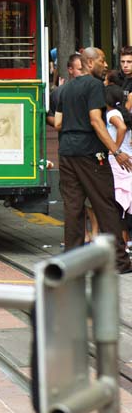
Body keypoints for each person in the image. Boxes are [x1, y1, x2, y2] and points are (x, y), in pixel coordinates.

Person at [54, 47, 132, 274]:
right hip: (90, 153)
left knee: (73, 208)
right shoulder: (96, 85)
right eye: (102, 59)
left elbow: (58, 124)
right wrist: (116, 152)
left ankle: (71, 264)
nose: (106, 64)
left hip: (66, 152)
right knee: (106, 205)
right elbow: (96, 120)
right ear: (89, 62)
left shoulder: (65, 89)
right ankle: (119, 261)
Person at [106, 84, 132, 247]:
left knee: (118, 203)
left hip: (118, 161)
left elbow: (121, 128)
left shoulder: (111, 114)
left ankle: (121, 243)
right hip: (126, 158)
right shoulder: (122, 112)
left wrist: (114, 148)